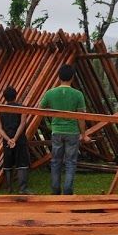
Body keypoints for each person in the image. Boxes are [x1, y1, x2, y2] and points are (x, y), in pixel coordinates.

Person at [39, 64, 89, 195]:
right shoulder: (78, 94)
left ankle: (55, 190)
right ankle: (67, 191)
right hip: (72, 132)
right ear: (72, 77)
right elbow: (81, 117)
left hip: (56, 131)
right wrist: (83, 134)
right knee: (70, 162)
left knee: (55, 161)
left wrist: (52, 114)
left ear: (58, 77)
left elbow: (40, 109)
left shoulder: (50, 93)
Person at [0, 86, 31, 194]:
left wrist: (8, 139)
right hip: (19, 139)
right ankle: (22, 188)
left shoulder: (0, 110)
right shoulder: (22, 108)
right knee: (22, 162)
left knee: (8, 162)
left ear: (4, 97)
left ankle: (9, 187)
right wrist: (15, 139)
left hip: (7, 140)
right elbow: (22, 123)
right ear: (16, 95)